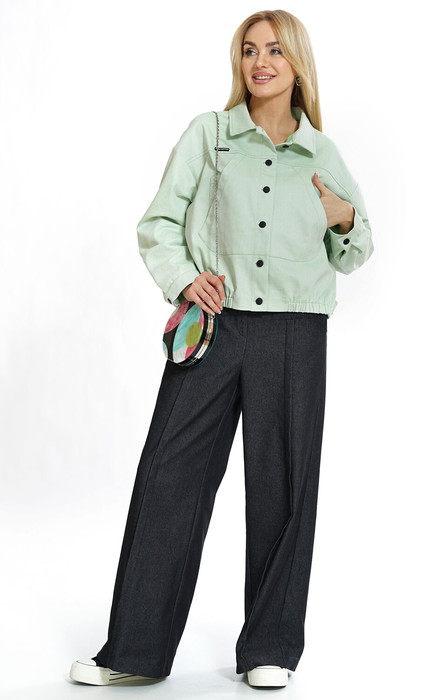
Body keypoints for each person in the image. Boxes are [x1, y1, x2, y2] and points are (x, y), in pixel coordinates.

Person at [69, 9, 374, 689]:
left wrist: (345, 218)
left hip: (294, 332)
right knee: (168, 480)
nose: (260, 62)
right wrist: (185, 277)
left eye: (275, 50)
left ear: (298, 64)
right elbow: (158, 223)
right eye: (249, 50)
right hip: (214, 326)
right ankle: (133, 654)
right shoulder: (209, 136)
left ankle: (270, 649)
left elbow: (354, 251)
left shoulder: (322, 154)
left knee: (284, 491)